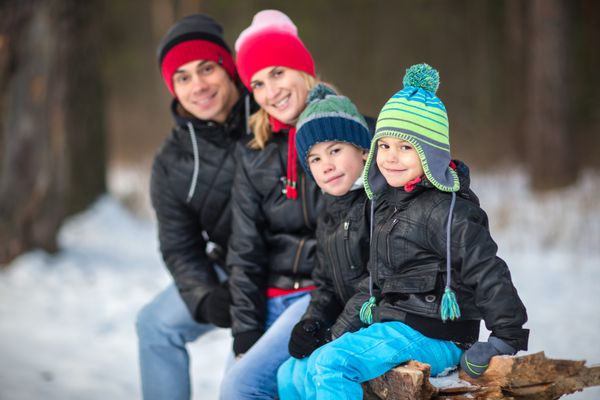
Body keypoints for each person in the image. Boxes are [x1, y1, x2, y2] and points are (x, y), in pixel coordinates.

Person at [286, 63, 529, 399]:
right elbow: (372, 282)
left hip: (437, 333)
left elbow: (487, 270)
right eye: (384, 146)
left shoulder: (446, 209)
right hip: (396, 325)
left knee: (333, 362)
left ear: (430, 153)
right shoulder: (385, 204)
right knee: (293, 373)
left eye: (406, 147)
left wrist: (504, 337)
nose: (391, 158)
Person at [135, 14, 254, 400]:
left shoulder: (269, 112)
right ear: (173, 87)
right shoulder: (172, 162)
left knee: (238, 383)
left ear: (229, 69)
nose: (198, 85)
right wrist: (204, 296)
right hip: (232, 265)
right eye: (183, 77)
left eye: (207, 68)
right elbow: (180, 247)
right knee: (154, 324)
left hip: (287, 268)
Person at [218, 9, 323, 400]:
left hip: (320, 296)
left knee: (244, 388)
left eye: (278, 73)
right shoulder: (254, 153)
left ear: (303, 70)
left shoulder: (349, 134)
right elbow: (244, 249)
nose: (270, 91)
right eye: (257, 83)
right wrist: (245, 329)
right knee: (231, 391)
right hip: (269, 298)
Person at [275, 84, 374, 398]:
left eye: (335, 151)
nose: (326, 165)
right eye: (315, 159)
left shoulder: (380, 201)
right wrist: (312, 323)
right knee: (288, 374)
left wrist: (333, 334)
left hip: (380, 323)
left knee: (322, 366)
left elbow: (377, 282)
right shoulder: (330, 207)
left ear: (363, 150)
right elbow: (325, 282)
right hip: (349, 325)